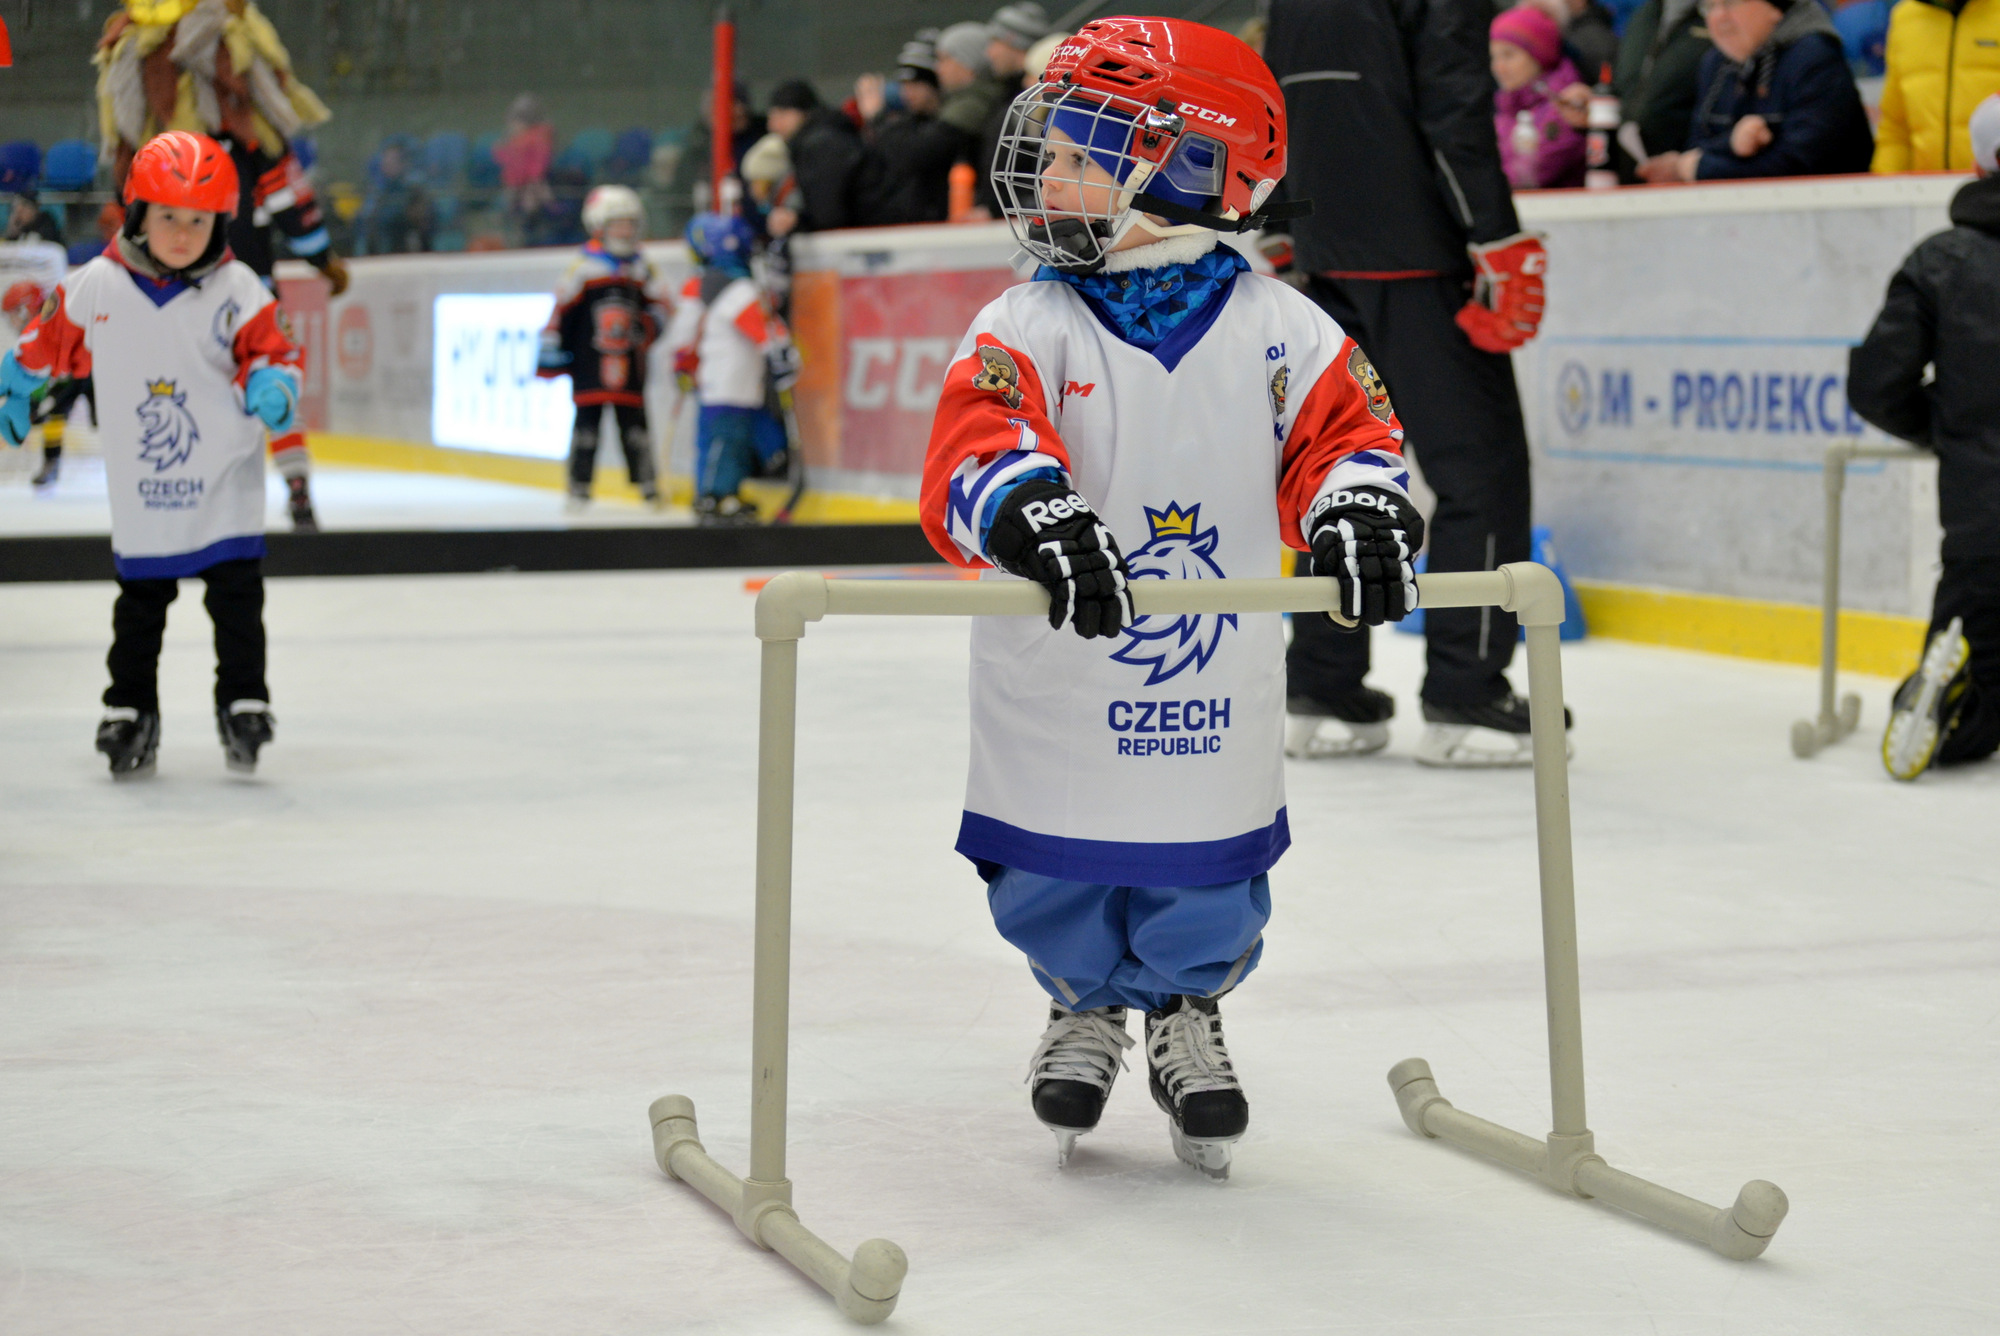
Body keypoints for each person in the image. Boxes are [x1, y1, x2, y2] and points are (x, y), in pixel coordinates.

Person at [921, 17, 1420, 1178]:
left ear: (1193, 166)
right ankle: (1081, 1000)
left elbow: (1348, 438)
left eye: (1081, 153)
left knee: (1204, 865)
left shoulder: (1280, 328)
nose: (1047, 173)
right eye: (1051, 147)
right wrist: (1024, 508)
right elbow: (974, 443)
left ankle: (1187, 1005)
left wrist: (1355, 505)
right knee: (1056, 864)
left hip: (1208, 683)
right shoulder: (1024, 321)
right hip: (1057, 681)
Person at [1264, 0, 1566, 766]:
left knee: (1341, 468)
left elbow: (1273, 101)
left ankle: (1323, 683)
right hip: (1420, 257)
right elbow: (1453, 108)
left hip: (1326, 255)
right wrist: (1494, 234)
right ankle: (1466, 693)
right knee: (1480, 474)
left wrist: (1282, 223)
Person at [0, 132, 303, 779]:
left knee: (238, 602)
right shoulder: (99, 285)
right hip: (145, 491)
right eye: (168, 216)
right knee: (139, 608)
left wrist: (273, 383)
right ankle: (130, 704)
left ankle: (243, 697)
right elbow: (47, 337)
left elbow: (273, 350)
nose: (183, 234)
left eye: (198, 220)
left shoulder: (237, 288)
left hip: (225, 483)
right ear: (138, 213)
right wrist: (19, 383)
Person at [1847, 94, 2000, 780]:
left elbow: (1877, 383)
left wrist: (1946, 424)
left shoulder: (1942, 260)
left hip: (1982, 512)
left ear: (1981, 161)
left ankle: (1949, 692)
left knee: (1978, 673)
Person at [211, 127, 350, 532]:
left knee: (200, 394)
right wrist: (323, 260)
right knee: (275, 386)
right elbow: (293, 210)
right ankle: (298, 489)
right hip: (256, 294)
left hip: (191, 296)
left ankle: (206, 499)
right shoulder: (257, 143)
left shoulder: (169, 140)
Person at [536, 185, 668, 511]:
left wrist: (648, 328)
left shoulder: (642, 267)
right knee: (586, 430)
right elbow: (561, 315)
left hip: (631, 368)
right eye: (618, 224)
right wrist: (553, 358)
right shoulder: (583, 268)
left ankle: (648, 487)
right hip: (589, 366)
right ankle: (579, 487)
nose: (626, 231)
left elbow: (663, 308)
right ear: (598, 225)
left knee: (636, 430)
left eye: (630, 223)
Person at [1638, 0, 1872, 181]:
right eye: (1709, 6)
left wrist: (1701, 168)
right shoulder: (1715, 63)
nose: (1718, 17)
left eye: (1731, 3)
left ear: (1775, 9)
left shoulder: (1813, 57)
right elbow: (1697, 147)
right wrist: (1730, 144)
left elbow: (1801, 164)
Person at [667, 212, 795, 524]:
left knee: (728, 442)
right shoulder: (737, 289)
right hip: (729, 383)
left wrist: (683, 363)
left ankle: (724, 494)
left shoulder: (705, 285)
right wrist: (784, 356)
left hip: (727, 382)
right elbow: (766, 328)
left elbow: (683, 335)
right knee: (724, 441)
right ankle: (713, 495)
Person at [1871, 0, 2000, 173]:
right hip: (1926, 185)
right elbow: (1895, 127)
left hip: (1990, 183)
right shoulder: (1905, 18)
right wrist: (1885, 181)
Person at [859, 31, 968, 225]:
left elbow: (910, 155)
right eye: (904, 85)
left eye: (916, 84)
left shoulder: (950, 124)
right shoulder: (906, 124)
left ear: (933, 83)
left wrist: (877, 118)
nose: (907, 93)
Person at [1603, 0, 1714, 176]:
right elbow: (1626, 88)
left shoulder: (1718, 14)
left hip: (1696, 176)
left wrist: (1688, 165)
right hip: (1631, 172)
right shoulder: (1644, 16)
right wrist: (1597, 106)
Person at [1492, 6, 1590, 188]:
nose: (1499, 67)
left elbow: (1531, 175)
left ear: (1538, 54)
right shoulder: (1506, 110)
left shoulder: (1567, 106)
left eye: (1509, 55)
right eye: (1494, 57)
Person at [975, 4, 1056, 216]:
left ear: (1014, 41)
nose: (989, 52)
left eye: (995, 42)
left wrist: (994, 209)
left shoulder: (1034, 108)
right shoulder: (1003, 96)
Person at [763, 80, 867, 235]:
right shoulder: (825, 137)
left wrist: (797, 222)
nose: (773, 126)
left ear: (801, 113)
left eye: (781, 115)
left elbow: (829, 214)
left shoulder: (822, 144)